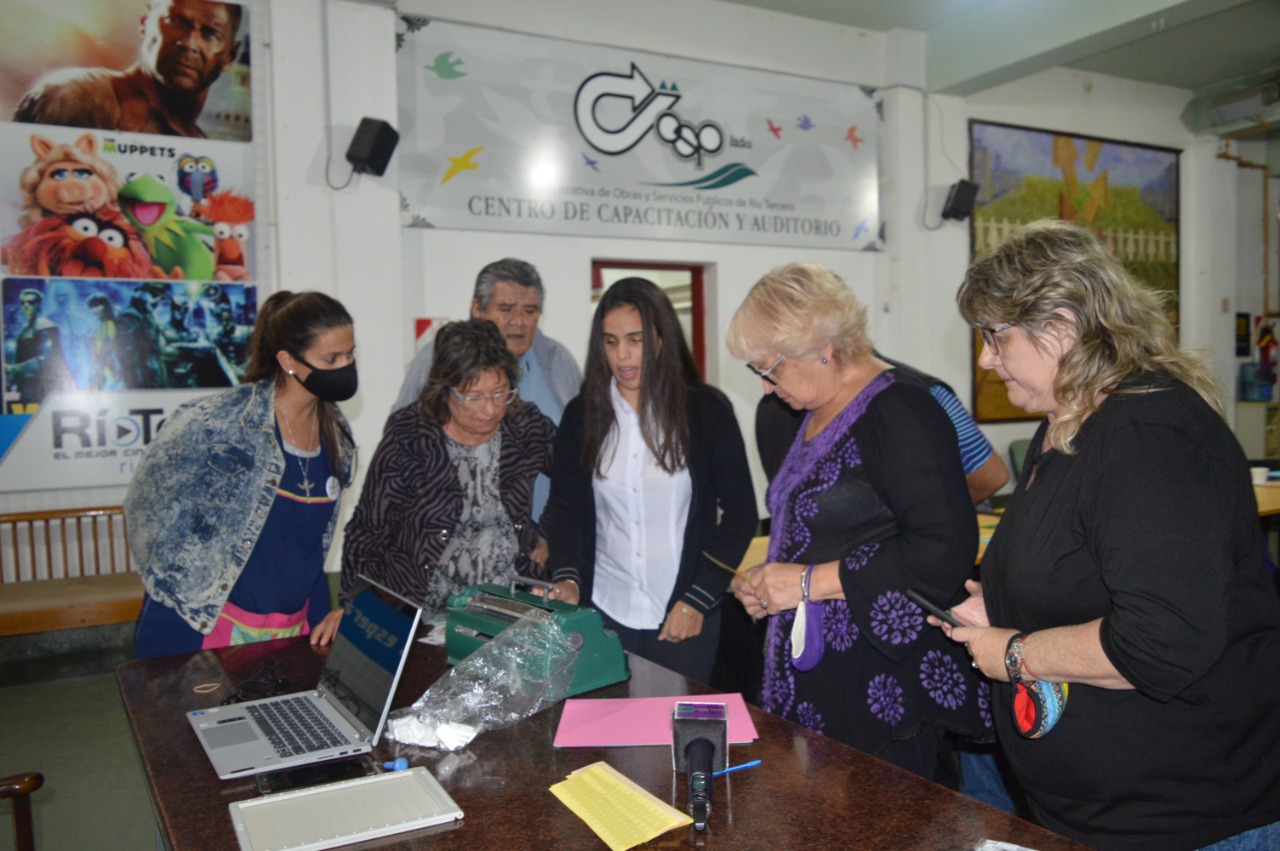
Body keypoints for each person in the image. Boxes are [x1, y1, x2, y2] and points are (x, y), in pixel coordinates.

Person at [937, 220, 1280, 850]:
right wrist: (1003, 611)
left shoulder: (1149, 436)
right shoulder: (1065, 424)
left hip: (1187, 816)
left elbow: (1161, 643)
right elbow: (1089, 576)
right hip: (1090, 811)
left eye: (995, 335)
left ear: (1061, 329)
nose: (986, 356)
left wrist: (1015, 652)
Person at [724, 262, 988, 780]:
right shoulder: (797, 415)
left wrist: (805, 582)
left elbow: (943, 548)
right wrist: (767, 583)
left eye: (769, 368)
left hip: (878, 685)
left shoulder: (901, 412)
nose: (765, 386)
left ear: (818, 346)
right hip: (814, 669)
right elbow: (818, 534)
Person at [543, 278, 757, 683]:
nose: (621, 355)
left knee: (669, 740)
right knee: (605, 739)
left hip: (683, 615)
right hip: (604, 610)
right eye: (609, 342)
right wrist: (567, 576)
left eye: (635, 340)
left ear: (660, 339)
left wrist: (699, 598)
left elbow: (741, 515)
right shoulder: (581, 416)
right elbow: (566, 507)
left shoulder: (706, 412)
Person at [125, 291, 357, 659]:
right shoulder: (214, 421)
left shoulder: (337, 433)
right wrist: (183, 581)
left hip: (295, 627)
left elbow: (313, 541)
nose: (345, 367)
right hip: (203, 626)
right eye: (331, 358)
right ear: (288, 360)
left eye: (350, 354)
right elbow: (145, 511)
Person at [338, 319, 554, 623]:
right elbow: (367, 531)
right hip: (424, 615)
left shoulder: (526, 425)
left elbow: (576, 478)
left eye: (500, 392)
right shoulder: (410, 435)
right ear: (444, 390)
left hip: (508, 610)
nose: (490, 410)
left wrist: (547, 533)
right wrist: (354, 609)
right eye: (473, 397)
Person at [393, 258, 581, 520]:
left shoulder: (557, 360)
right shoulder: (436, 359)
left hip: (541, 543)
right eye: (506, 308)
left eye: (530, 311)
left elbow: (579, 456)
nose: (519, 322)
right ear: (476, 310)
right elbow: (402, 448)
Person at [13, 0, 242, 139]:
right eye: (175, 21)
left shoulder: (200, 146)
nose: (189, 43)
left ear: (230, 56)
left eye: (210, 33)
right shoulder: (78, 95)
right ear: (144, 22)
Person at [5, 288, 73, 407]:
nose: (26, 305)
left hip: (41, 386)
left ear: (39, 305)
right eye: (23, 302)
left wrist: (12, 369)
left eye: (31, 302)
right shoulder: (27, 328)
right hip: (25, 386)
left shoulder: (45, 326)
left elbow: (45, 358)